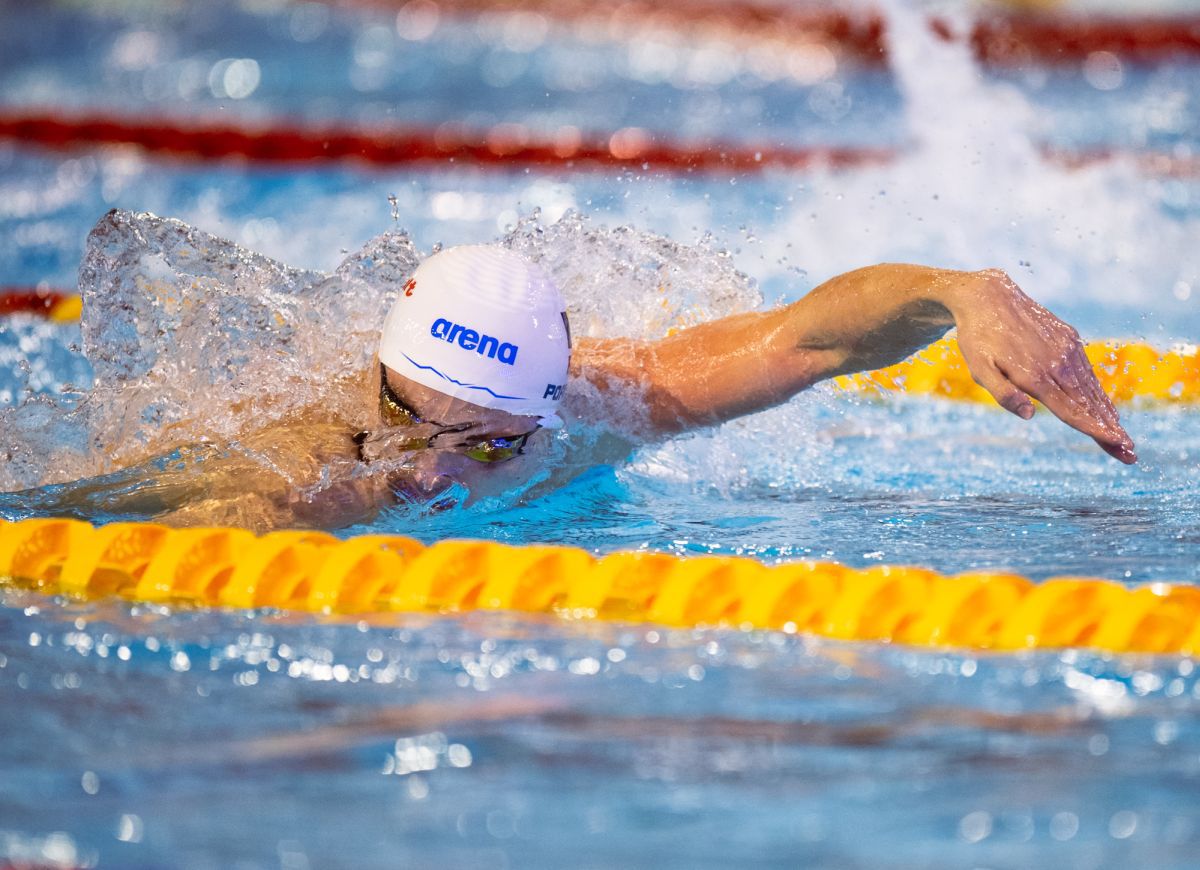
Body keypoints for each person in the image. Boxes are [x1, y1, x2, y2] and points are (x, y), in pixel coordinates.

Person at [13, 241, 1135, 532]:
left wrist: (956, 289)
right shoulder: (296, 459)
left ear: (547, 417)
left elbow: (813, 339)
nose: (437, 467)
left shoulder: (609, 410)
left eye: (492, 446)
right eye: (405, 421)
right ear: (374, 381)